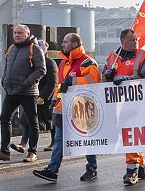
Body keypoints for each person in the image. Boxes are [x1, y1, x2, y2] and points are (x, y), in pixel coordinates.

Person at [32, 33, 101, 182]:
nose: (62, 44)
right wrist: (53, 102)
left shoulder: (87, 62)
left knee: (87, 139)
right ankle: (52, 170)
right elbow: (60, 86)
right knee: (59, 140)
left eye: (65, 42)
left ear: (74, 44)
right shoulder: (64, 63)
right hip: (63, 108)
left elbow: (93, 80)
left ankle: (92, 168)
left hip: (82, 108)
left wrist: (72, 81)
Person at [103, 29, 145, 185]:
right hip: (118, 102)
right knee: (132, 133)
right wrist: (108, 74)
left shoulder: (144, 55)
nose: (136, 42)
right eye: (132, 40)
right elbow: (103, 77)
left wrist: (126, 79)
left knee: (130, 133)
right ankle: (141, 166)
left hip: (137, 101)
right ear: (122, 41)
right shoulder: (113, 57)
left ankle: (132, 170)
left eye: (136, 39)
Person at [0, 25, 46, 163]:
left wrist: (26, 83)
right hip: (12, 91)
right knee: (4, 118)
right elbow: (7, 67)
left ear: (27, 34)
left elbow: (41, 69)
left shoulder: (34, 48)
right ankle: (4, 152)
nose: (17, 35)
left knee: (32, 121)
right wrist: (4, 81)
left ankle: (32, 152)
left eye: (20, 33)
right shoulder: (12, 48)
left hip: (28, 92)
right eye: (15, 33)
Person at [10, 39, 57, 155]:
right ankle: (23, 144)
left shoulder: (49, 63)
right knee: (29, 120)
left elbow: (52, 82)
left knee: (49, 120)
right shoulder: (33, 63)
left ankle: (54, 142)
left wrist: (44, 97)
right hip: (33, 95)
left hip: (46, 96)